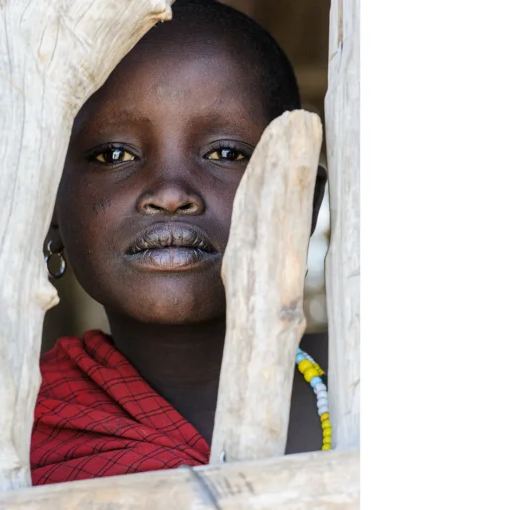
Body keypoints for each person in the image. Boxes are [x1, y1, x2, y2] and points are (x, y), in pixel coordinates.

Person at [31, 0, 328, 486]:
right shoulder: (5, 433)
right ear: (49, 210)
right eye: (114, 154)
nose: (170, 195)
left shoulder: (363, 384)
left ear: (304, 201)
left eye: (225, 152)